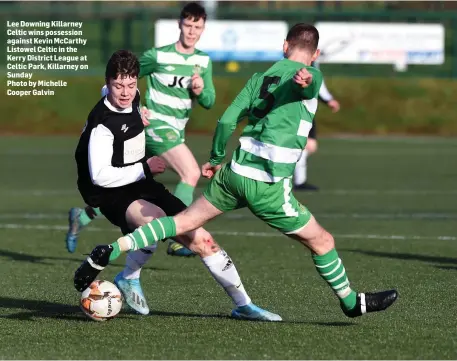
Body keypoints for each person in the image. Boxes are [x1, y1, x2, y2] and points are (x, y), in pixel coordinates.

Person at [74, 24, 398, 320]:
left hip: (232, 174)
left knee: (185, 226)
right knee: (323, 241)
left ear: (284, 46)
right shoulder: (309, 74)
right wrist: (310, 80)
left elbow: (227, 119)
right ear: (314, 55)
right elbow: (310, 89)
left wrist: (215, 158)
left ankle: (111, 251)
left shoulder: (259, 78)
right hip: (268, 186)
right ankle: (351, 303)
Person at [73, 48, 279, 321]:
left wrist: (139, 118)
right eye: (117, 86)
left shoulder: (131, 95)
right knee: (154, 220)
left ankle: (244, 305)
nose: (124, 92)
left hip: (139, 181)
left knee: (202, 239)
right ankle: (130, 275)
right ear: (108, 82)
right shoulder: (103, 125)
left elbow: (122, 97)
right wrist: (144, 167)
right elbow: (99, 175)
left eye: (131, 84)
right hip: (110, 190)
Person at [65, 2, 215, 257]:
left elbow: (210, 101)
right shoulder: (157, 56)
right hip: (155, 127)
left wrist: (201, 91)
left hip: (175, 131)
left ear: (203, 29)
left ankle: (84, 215)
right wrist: (138, 110)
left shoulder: (203, 61)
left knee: (134, 185)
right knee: (190, 172)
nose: (191, 31)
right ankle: (178, 237)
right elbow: (125, 78)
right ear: (179, 24)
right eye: (188, 25)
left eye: (197, 27)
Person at [293, 60, 340, 191]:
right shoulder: (305, 66)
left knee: (309, 146)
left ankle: (297, 179)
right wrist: (329, 100)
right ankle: (299, 181)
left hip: (306, 112)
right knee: (305, 146)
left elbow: (318, 84)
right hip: (300, 112)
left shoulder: (309, 65)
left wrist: (328, 100)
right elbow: (319, 86)